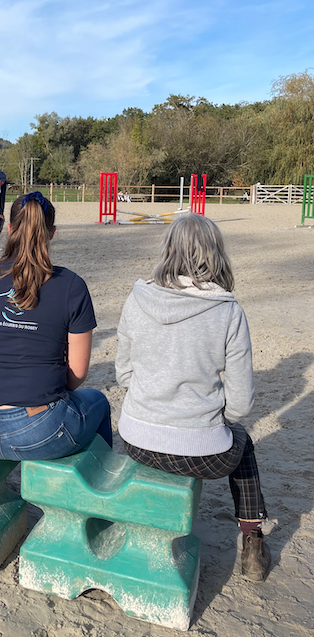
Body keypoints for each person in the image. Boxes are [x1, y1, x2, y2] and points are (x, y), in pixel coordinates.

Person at [115, 213, 271, 582]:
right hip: (203, 454)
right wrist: (212, 415)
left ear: (168, 250)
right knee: (244, 444)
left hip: (138, 441)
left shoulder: (136, 299)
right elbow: (241, 405)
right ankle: (252, 540)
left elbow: (123, 375)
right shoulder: (228, 311)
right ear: (216, 255)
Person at [0, 191, 111, 461]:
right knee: (98, 401)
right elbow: (76, 375)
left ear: (11, 229)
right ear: (51, 233)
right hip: (40, 428)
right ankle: (98, 487)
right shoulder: (72, 286)